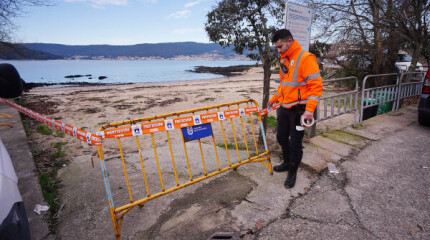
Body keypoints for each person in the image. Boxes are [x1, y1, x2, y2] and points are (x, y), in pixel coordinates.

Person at [268, 29, 323, 188]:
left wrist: (310, 110)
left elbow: (316, 87)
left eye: (280, 47)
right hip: (284, 108)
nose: (278, 50)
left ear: (290, 41)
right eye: (276, 48)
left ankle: (293, 171)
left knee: (295, 143)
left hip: (300, 110)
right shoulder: (285, 59)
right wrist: (273, 99)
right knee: (281, 137)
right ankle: (286, 162)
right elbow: (284, 85)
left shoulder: (306, 58)